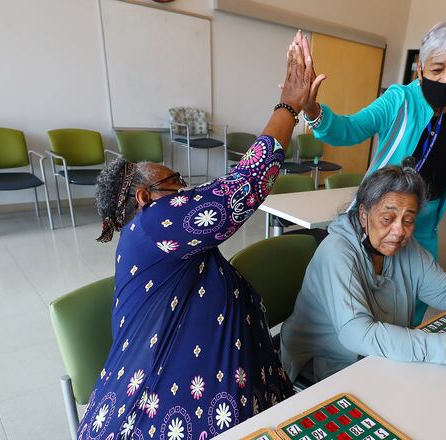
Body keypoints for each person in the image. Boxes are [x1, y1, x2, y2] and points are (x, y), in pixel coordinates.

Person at [78, 30, 317, 439]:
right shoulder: (152, 222)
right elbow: (238, 192)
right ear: (143, 196)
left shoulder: (154, 236)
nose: (185, 190)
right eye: (175, 181)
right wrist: (288, 107)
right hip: (156, 406)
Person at [301, 20, 446, 324]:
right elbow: (350, 129)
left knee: (418, 300)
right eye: (437, 69)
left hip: (426, 221)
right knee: (369, 299)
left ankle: (408, 349)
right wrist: (314, 112)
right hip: (384, 215)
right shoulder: (400, 100)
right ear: (420, 67)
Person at [280, 160, 446, 383]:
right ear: (363, 215)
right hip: (327, 363)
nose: (400, 231)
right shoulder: (337, 251)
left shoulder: (404, 246)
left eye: (408, 220)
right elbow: (358, 333)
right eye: (387, 219)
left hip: (374, 359)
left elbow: (445, 288)